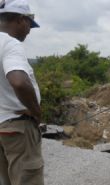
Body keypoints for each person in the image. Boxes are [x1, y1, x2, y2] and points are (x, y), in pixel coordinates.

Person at [0, 0, 44, 185]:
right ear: (20, 20)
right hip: (16, 128)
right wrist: (36, 111)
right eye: (29, 24)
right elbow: (19, 82)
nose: (30, 29)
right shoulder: (9, 44)